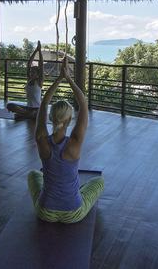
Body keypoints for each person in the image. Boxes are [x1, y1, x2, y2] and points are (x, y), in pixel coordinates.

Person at [27, 57, 104, 223]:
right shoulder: (74, 142)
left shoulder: (41, 139)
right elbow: (83, 104)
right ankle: (77, 192)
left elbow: (44, 103)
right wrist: (68, 78)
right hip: (73, 213)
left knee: (33, 174)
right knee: (99, 182)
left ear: (50, 118)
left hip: (45, 211)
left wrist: (58, 79)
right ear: (69, 121)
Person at [7, 41, 43, 120]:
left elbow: (41, 64)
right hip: (28, 108)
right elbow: (29, 63)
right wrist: (36, 50)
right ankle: (27, 115)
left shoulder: (39, 82)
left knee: (34, 113)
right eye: (31, 72)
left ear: (38, 74)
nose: (31, 73)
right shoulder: (29, 80)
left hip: (37, 109)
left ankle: (25, 115)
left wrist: (40, 51)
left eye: (33, 72)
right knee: (9, 105)